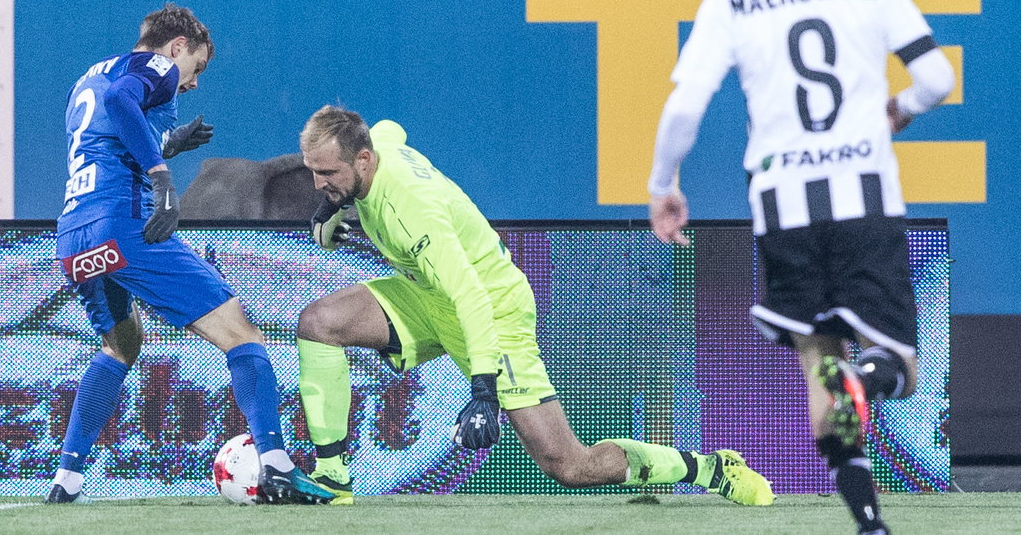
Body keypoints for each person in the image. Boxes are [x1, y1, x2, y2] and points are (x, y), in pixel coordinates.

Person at [646, 0, 955, 533]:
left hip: (783, 205)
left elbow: (684, 106)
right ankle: (868, 386)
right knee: (894, 362)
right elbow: (936, 77)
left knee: (822, 362)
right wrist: (897, 107)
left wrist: (663, 186)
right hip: (863, 197)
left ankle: (870, 524)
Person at [295, 105, 775, 506]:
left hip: (493, 312)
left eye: (327, 174)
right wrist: (333, 205)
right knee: (319, 322)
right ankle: (331, 476)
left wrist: (484, 393)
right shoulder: (378, 147)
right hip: (428, 296)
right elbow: (390, 128)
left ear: (363, 160)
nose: (318, 184)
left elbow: (472, 298)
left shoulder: (412, 211)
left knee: (570, 466)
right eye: (313, 172)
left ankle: (708, 468)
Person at [47, 3, 332, 505]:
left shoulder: (88, 77)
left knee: (121, 346)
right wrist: (161, 176)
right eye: (196, 67)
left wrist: (169, 142)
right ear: (177, 46)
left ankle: (65, 481)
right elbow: (122, 102)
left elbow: (108, 129)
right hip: (125, 223)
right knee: (242, 335)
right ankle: (277, 466)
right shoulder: (156, 65)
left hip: (74, 235)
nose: (194, 82)